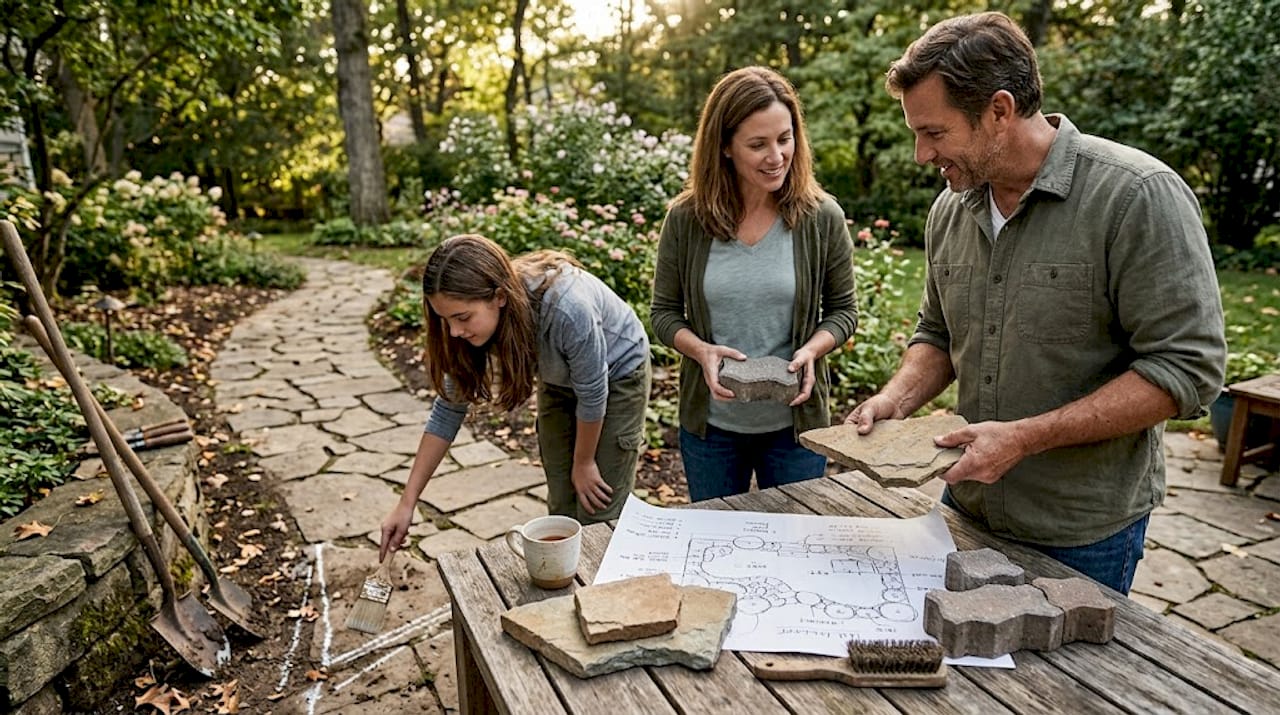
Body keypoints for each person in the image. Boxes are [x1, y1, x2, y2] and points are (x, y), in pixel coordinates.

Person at [844, 12, 1226, 594]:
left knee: (1065, 689)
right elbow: (938, 334)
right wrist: (895, 398)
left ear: (999, 110)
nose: (922, 154)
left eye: (935, 132)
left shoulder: (1137, 195)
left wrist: (1025, 437)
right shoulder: (951, 209)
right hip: (966, 503)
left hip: (1080, 530)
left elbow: (1187, 370)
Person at [650, 66, 858, 502]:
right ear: (724, 147)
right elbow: (664, 315)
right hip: (712, 430)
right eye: (757, 144)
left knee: (796, 547)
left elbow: (843, 312)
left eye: (785, 139)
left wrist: (812, 349)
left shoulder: (822, 217)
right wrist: (700, 350)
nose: (777, 156)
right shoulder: (686, 220)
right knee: (712, 548)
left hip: (795, 430)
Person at [380, 235, 650, 560]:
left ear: (499, 297)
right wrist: (407, 502)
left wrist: (584, 462)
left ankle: (604, 590)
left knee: (598, 508)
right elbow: (447, 412)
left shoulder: (567, 308)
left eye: (462, 318)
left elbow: (593, 393)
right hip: (560, 376)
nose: (453, 332)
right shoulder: (470, 327)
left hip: (618, 371)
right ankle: (568, 586)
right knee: (562, 506)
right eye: (445, 319)